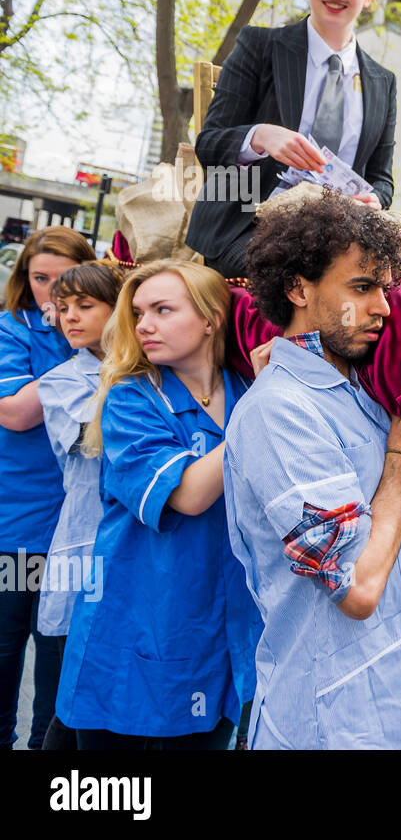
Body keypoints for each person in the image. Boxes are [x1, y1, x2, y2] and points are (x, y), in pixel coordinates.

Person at [224, 193, 401, 749]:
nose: (382, 307)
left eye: (386, 289)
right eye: (362, 288)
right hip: (330, 724)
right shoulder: (278, 410)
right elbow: (355, 588)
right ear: (299, 288)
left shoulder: (369, 396)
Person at [56, 261, 263, 749]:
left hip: (217, 638)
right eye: (138, 312)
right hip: (131, 638)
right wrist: (266, 403)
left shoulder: (245, 392)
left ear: (211, 318)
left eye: (162, 310)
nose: (143, 324)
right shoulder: (132, 398)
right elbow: (189, 495)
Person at [186, 0, 396, 277]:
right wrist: (260, 137)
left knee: (392, 290)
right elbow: (207, 145)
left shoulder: (382, 82)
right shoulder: (259, 47)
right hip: (248, 224)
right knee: (306, 279)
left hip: (337, 233)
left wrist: (375, 200)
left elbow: (382, 179)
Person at [0, 226, 95, 750]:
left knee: (61, 656)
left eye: (68, 283)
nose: (56, 297)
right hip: (21, 523)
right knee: (7, 646)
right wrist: (87, 357)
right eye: (42, 280)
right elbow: (13, 413)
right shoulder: (14, 329)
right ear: (25, 278)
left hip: (81, 527)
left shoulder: (112, 336)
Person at [35, 262, 124, 750]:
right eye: (63, 308)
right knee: (67, 701)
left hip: (134, 550)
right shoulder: (62, 381)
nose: (69, 317)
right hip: (84, 544)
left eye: (85, 306)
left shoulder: (156, 371)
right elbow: (106, 435)